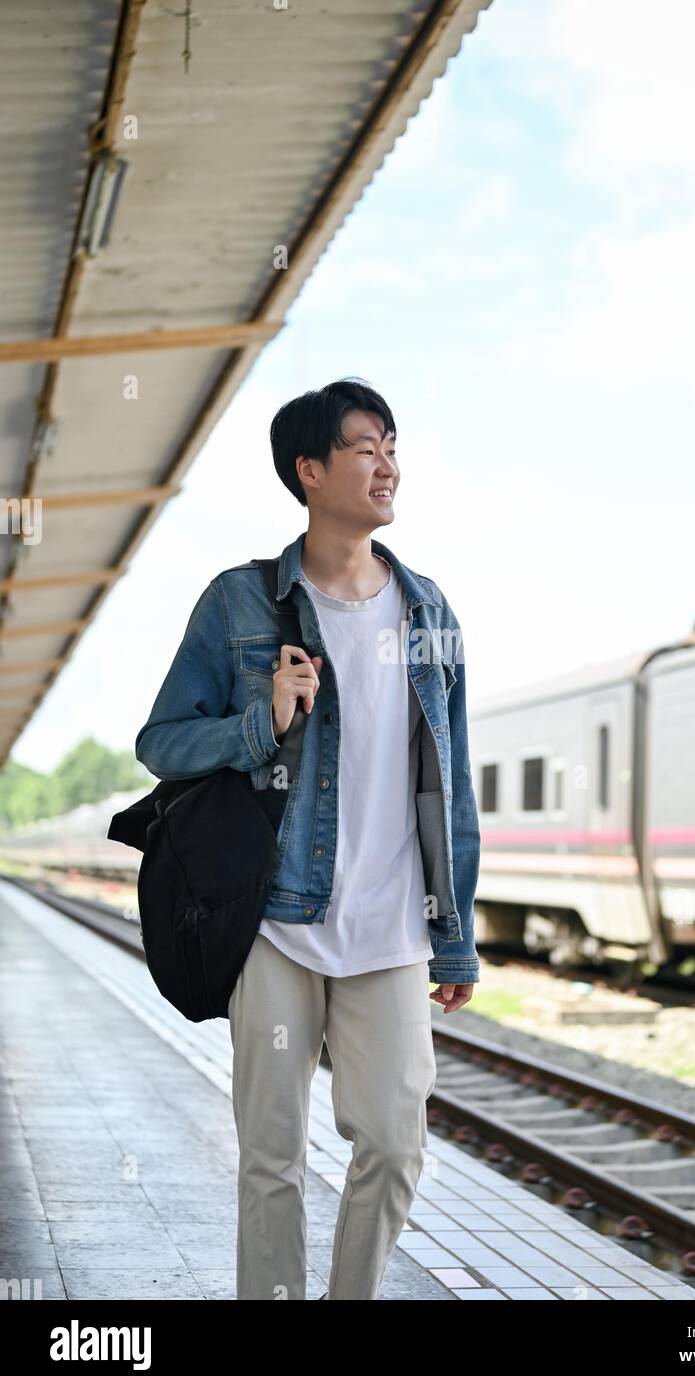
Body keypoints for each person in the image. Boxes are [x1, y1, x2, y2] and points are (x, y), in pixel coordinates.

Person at [134, 377, 481, 1300]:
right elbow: (160, 742)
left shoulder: (429, 611)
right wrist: (261, 721)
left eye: (393, 446)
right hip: (279, 923)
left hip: (394, 928)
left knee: (396, 1142)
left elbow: (451, 785)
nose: (388, 464)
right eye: (366, 446)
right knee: (272, 1156)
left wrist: (456, 930)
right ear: (310, 470)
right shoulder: (241, 603)